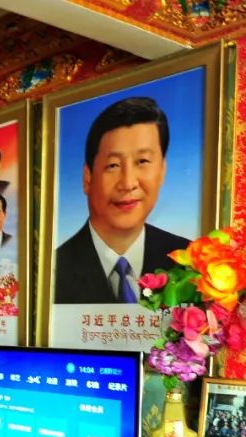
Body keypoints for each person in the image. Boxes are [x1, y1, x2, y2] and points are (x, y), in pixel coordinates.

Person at [55, 97, 191, 304]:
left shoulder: (188, 261)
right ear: (87, 177)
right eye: (113, 165)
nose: (128, 183)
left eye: (142, 161)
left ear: (162, 170)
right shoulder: (53, 270)